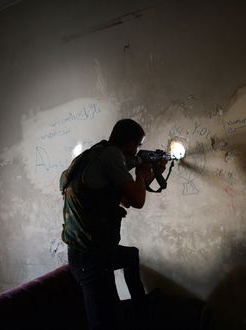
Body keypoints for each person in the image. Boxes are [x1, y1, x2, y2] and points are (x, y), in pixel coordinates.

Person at [60, 119, 166, 330]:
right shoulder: (112, 156)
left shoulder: (97, 154)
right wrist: (143, 174)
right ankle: (141, 311)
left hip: (92, 251)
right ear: (129, 144)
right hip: (89, 257)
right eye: (138, 146)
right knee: (103, 321)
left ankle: (141, 308)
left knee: (130, 256)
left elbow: (126, 198)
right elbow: (137, 201)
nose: (138, 151)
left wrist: (151, 171)